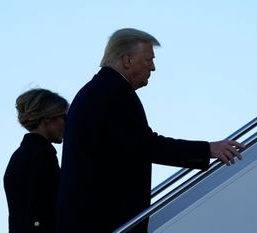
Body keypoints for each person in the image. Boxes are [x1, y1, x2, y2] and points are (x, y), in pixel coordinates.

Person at [56, 28, 245, 233]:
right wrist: (207, 149)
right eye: (148, 60)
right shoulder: (114, 92)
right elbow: (146, 145)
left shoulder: (97, 90)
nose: (153, 67)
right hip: (103, 220)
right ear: (127, 60)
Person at [4, 88, 69, 233]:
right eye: (63, 117)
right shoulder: (42, 156)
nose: (67, 123)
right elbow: (43, 212)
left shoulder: (20, 155)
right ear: (47, 118)